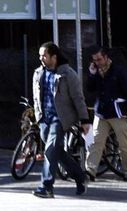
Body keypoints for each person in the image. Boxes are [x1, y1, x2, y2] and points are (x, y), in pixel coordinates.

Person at [31, 42, 90, 198]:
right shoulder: (38, 73)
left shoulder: (68, 74)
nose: (41, 58)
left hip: (61, 118)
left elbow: (78, 98)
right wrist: (38, 116)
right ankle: (80, 177)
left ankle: (46, 187)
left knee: (50, 150)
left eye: (44, 55)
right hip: (44, 118)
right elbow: (36, 97)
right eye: (40, 55)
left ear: (54, 57)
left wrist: (84, 119)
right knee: (57, 151)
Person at [83, 46, 127, 180]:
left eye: (99, 59)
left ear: (106, 57)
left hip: (116, 113)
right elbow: (90, 89)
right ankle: (90, 170)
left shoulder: (118, 71)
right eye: (95, 60)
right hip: (101, 113)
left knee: (123, 142)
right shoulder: (96, 71)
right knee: (95, 142)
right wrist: (91, 74)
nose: (97, 62)